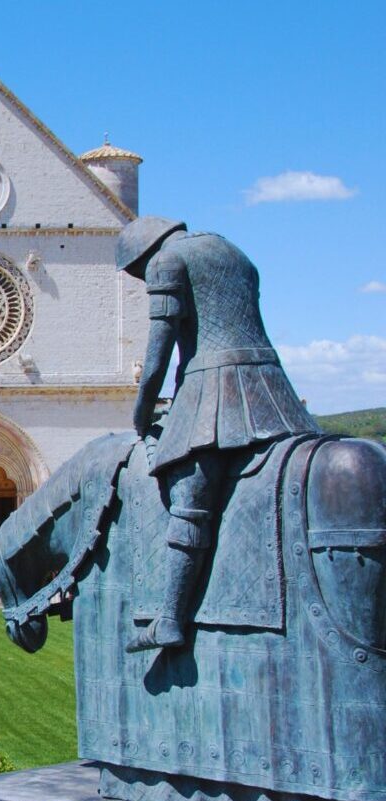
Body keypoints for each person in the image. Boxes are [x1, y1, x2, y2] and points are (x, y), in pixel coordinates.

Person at [118, 216, 317, 652]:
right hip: (271, 387)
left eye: (137, 274)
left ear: (142, 256)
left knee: (189, 502)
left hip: (215, 392)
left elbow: (158, 356)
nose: (142, 279)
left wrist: (141, 414)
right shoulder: (232, 251)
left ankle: (169, 618)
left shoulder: (166, 262)